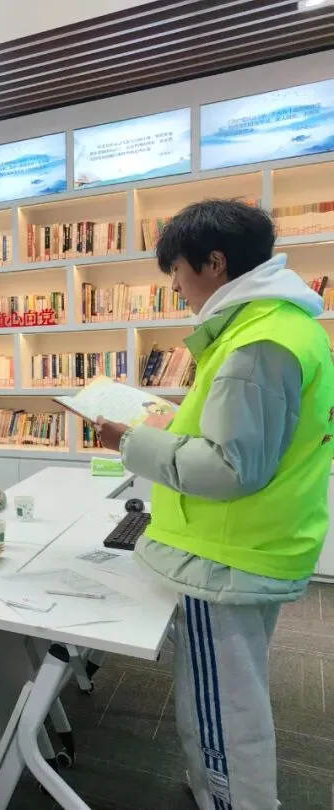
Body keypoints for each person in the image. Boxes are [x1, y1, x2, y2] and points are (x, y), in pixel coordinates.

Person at [93, 200, 334, 810]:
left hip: (225, 556)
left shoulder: (254, 345)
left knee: (221, 706)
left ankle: (233, 800)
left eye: (176, 269)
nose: (174, 286)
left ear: (215, 262)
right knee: (233, 690)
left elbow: (231, 468)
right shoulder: (283, 327)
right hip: (253, 543)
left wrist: (132, 442)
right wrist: (169, 424)